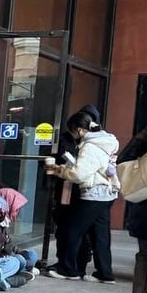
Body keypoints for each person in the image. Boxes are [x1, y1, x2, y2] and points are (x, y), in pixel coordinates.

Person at [44, 112, 119, 282]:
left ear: (78, 129)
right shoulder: (105, 141)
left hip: (94, 194)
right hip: (107, 193)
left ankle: (68, 270)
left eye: (72, 131)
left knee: (71, 229)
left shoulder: (90, 146)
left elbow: (79, 175)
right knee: (100, 235)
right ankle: (104, 273)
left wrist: (57, 169)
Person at [117, 125, 147, 293]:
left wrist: (140, 138)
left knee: (145, 259)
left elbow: (122, 163)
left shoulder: (143, 142)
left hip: (144, 214)